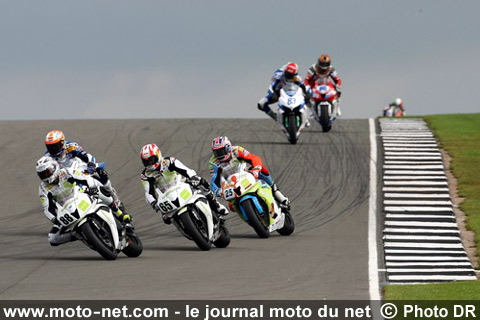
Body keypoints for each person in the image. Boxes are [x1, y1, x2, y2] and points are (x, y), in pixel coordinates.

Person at [36, 156, 131, 246]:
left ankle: (120, 213)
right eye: (42, 174)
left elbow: (84, 178)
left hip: (81, 195)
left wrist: (91, 187)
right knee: (52, 238)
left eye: (47, 172)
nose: (45, 176)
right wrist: (55, 219)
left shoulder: (66, 172)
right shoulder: (43, 188)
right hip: (67, 211)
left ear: (54, 168)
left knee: (101, 191)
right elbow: (47, 207)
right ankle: (77, 235)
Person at [43, 130, 128, 214]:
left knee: (101, 173)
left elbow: (87, 156)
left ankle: (116, 200)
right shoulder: (47, 157)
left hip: (80, 169)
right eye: (50, 147)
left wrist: (91, 166)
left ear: (62, 142)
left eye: (55, 146)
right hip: (65, 177)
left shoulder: (71, 146)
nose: (53, 149)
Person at [140, 143, 227, 224]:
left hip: (181, 183)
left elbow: (185, 170)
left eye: (151, 160)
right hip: (166, 196)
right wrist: (154, 203)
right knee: (167, 220)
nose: (150, 163)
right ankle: (184, 226)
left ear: (158, 155)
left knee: (203, 183)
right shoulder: (146, 175)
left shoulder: (169, 161)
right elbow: (148, 192)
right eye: (146, 161)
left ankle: (216, 205)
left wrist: (193, 177)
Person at [209, 136, 290, 210]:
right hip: (231, 183)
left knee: (263, 170)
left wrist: (256, 168)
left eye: (221, 151)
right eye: (216, 152)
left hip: (245, 173)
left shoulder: (237, 150)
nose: (219, 155)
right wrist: (218, 191)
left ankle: (277, 194)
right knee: (232, 208)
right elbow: (214, 180)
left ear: (228, 148)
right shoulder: (213, 163)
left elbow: (253, 158)